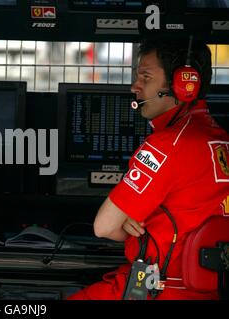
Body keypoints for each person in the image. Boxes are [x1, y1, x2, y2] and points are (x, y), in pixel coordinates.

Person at [68, 38, 229, 300]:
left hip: (157, 289)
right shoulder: (221, 139)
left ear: (184, 83)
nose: (135, 86)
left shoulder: (167, 144)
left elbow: (104, 227)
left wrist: (133, 225)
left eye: (146, 77)